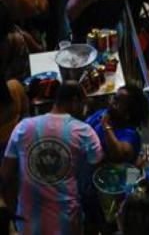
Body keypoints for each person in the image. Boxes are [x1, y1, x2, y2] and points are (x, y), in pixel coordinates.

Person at [1, 81, 102, 235]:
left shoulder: (23, 127)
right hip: (66, 225)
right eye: (84, 104)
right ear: (75, 102)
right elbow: (97, 173)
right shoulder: (85, 132)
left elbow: (4, 178)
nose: (84, 110)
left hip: (27, 226)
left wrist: (15, 213)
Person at [86, 85, 148, 164]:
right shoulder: (102, 113)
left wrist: (106, 126)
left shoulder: (130, 134)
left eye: (117, 103)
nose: (112, 103)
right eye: (114, 98)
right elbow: (83, 128)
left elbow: (119, 155)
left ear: (128, 114)